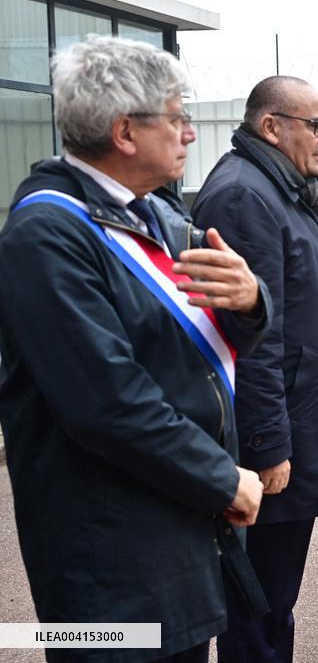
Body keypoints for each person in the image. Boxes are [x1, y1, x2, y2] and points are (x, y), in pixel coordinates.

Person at [0, 36, 271, 663]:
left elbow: (207, 344)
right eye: (177, 119)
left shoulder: (154, 214)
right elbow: (106, 400)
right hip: (107, 546)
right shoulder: (47, 234)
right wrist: (221, 480)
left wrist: (251, 300)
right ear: (125, 131)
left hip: (173, 520)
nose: (189, 135)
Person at [191, 76, 318, 662]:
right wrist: (267, 444)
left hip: (299, 422)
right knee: (258, 607)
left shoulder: (280, 186)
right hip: (274, 437)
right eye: (317, 126)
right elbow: (251, 337)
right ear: (272, 126)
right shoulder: (244, 196)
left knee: (273, 599)